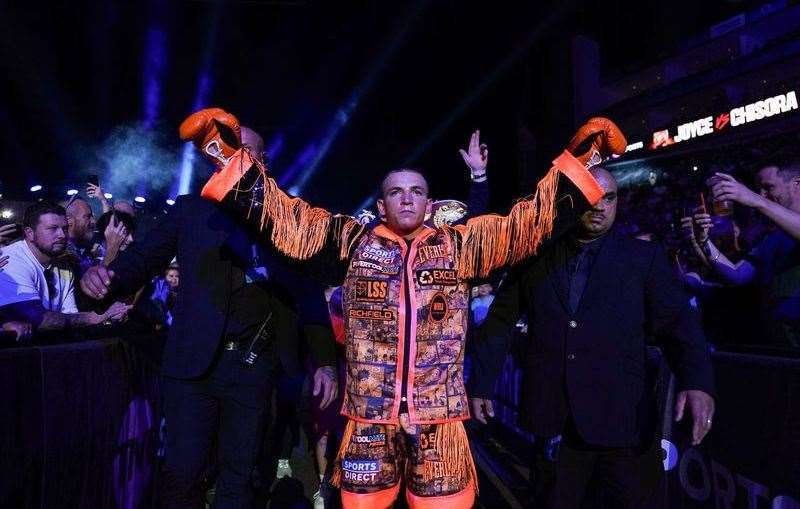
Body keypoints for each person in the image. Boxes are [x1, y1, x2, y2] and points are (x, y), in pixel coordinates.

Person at [177, 108, 619, 508]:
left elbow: (525, 225)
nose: (406, 199)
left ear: (431, 205)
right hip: (369, 417)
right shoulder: (352, 242)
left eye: (416, 192)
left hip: (440, 422)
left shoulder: (460, 245)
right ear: (381, 204)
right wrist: (230, 161)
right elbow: (293, 223)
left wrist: (580, 164)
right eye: (395, 192)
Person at [80, 121, 338, 509]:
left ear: (263, 163)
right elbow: (144, 259)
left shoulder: (289, 221)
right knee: (182, 472)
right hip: (192, 366)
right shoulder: (190, 211)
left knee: (241, 473)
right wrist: (107, 275)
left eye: (248, 152)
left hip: (254, 365)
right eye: (230, 151)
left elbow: (308, 294)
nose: (239, 158)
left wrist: (325, 362)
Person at [469, 166, 716, 508]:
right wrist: (482, 381)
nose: (600, 206)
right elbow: (500, 321)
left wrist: (697, 381)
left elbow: (679, 324)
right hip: (554, 420)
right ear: (572, 200)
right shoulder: (534, 257)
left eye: (609, 198)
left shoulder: (643, 258)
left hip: (625, 423)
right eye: (591, 198)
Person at [690, 162, 800, 347]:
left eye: (768, 187)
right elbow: (737, 274)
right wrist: (703, 241)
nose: (763, 194)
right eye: (759, 190)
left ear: (796, 183)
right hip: (782, 343)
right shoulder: (769, 235)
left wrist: (755, 199)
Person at [0, 201, 129, 331]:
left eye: (65, 228)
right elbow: (38, 319)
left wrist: (111, 314)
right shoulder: (10, 260)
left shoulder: (65, 266)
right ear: (29, 233)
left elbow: (70, 317)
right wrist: (95, 318)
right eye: (53, 228)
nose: (62, 235)